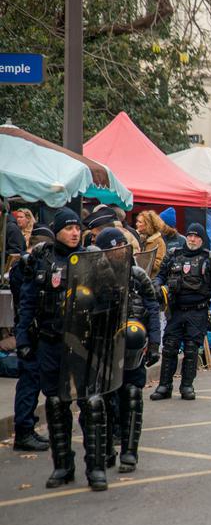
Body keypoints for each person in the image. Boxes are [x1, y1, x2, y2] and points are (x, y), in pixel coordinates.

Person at [15, 209, 122, 490]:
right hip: (50, 342)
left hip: (83, 343)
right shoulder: (42, 259)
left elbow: (112, 300)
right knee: (55, 403)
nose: (75, 232)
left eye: (78, 227)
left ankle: (96, 468)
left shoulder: (93, 260)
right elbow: (27, 302)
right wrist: (23, 339)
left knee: (91, 403)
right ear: (57, 230)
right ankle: (63, 466)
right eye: (69, 227)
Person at [93, 228, 161, 473]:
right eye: (114, 247)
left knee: (132, 395)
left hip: (133, 348)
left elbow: (153, 308)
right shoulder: (95, 277)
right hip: (105, 349)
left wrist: (154, 342)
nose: (120, 250)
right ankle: (108, 448)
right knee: (106, 400)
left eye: (122, 245)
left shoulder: (138, 276)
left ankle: (130, 453)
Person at [151, 223, 211, 401]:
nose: (192, 239)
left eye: (196, 236)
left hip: (198, 312)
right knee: (170, 348)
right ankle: (164, 385)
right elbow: (160, 275)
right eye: (189, 235)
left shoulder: (209, 258)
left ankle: (187, 386)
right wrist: (157, 286)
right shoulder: (174, 255)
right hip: (176, 310)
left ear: (202, 239)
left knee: (191, 349)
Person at [8, 225, 54, 452]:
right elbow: (25, 299)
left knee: (35, 382)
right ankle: (24, 431)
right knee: (29, 382)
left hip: (39, 332)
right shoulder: (24, 266)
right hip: (30, 331)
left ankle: (28, 428)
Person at [135, 210, 168, 276]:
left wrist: (141, 260)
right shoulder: (137, 238)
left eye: (140, 222)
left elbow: (159, 264)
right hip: (139, 279)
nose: (136, 224)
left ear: (148, 224)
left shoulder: (159, 242)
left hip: (151, 280)